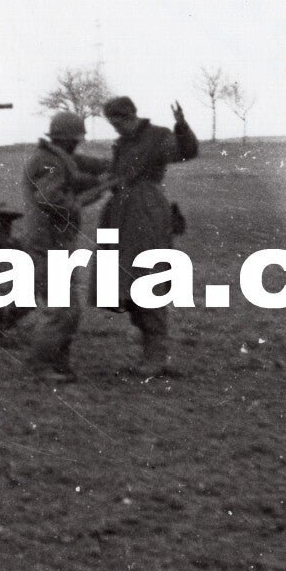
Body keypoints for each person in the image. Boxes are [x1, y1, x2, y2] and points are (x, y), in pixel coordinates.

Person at [97, 96, 198, 376]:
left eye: (117, 122)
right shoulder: (123, 143)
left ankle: (155, 357)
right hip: (120, 218)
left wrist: (181, 127)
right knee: (124, 287)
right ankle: (150, 354)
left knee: (147, 281)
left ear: (128, 116)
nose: (115, 128)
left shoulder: (158, 137)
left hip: (147, 215)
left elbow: (186, 152)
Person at [21, 112, 110, 382]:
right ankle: (40, 367)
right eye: (76, 140)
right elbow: (51, 199)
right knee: (60, 310)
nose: (78, 145)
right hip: (47, 245)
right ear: (68, 140)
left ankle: (58, 364)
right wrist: (88, 197)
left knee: (68, 311)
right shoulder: (49, 161)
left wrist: (109, 171)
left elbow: (84, 167)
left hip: (56, 244)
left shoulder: (56, 157)